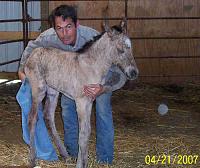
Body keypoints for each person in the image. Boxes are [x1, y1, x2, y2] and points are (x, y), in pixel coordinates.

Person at [17, 5, 127, 164]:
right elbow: (31, 47)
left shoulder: (92, 38)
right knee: (68, 107)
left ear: (77, 24)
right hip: (73, 77)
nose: (64, 33)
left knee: (103, 108)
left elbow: (120, 73)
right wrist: (22, 70)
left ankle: (105, 158)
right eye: (59, 28)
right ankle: (72, 153)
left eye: (68, 27)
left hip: (101, 78)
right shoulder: (50, 36)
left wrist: (103, 88)